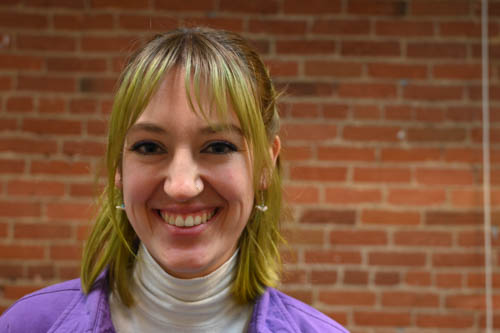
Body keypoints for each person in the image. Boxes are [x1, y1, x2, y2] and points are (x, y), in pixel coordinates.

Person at [0, 27, 348, 333]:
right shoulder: (28, 325)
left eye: (218, 146)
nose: (181, 186)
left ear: (265, 165)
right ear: (118, 167)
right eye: (150, 147)